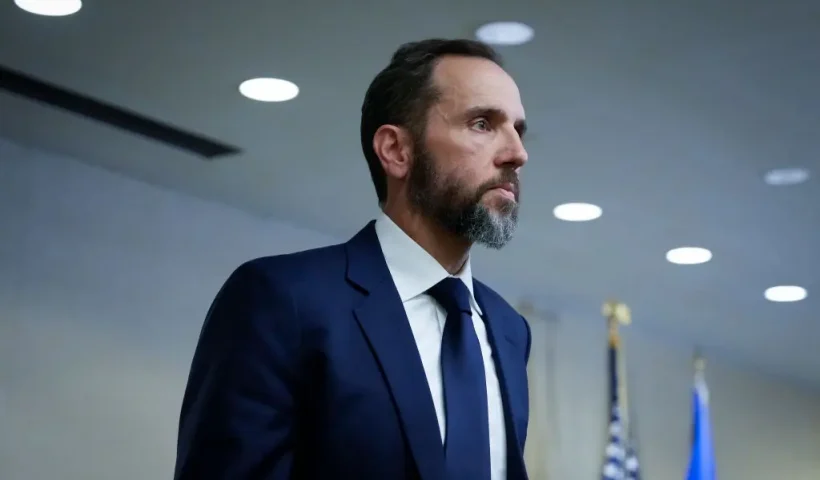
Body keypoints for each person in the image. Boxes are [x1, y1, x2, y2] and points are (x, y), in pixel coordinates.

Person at [173, 38, 531, 480]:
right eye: (482, 123)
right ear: (397, 151)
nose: (517, 153)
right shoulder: (284, 299)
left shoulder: (510, 331)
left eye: (519, 129)